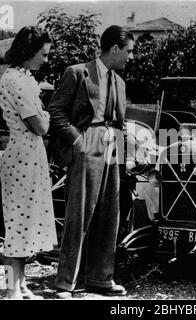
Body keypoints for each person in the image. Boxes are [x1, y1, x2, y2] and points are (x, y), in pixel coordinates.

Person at [48, 25, 134, 298]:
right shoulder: (77, 72)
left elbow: (120, 123)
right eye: (128, 51)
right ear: (115, 48)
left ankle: (101, 279)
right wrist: (77, 142)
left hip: (113, 149)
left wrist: (126, 154)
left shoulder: (120, 82)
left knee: (110, 215)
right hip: (87, 145)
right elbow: (56, 110)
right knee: (79, 215)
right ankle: (66, 283)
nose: (130, 57)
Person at [0, 26, 57, 299]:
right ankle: (11, 290)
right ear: (28, 52)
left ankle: (20, 283)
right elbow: (40, 125)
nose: (46, 60)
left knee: (25, 224)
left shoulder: (23, 77)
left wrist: (43, 116)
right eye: (42, 55)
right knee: (16, 228)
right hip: (22, 155)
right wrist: (45, 117)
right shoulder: (16, 81)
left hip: (30, 155)